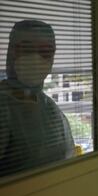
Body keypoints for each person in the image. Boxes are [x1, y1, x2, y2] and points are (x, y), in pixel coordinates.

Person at [0, 20, 75, 176]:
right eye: (27, 49)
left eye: (46, 52)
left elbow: (68, 161)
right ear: (11, 52)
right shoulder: (3, 107)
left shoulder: (50, 108)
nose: (35, 58)